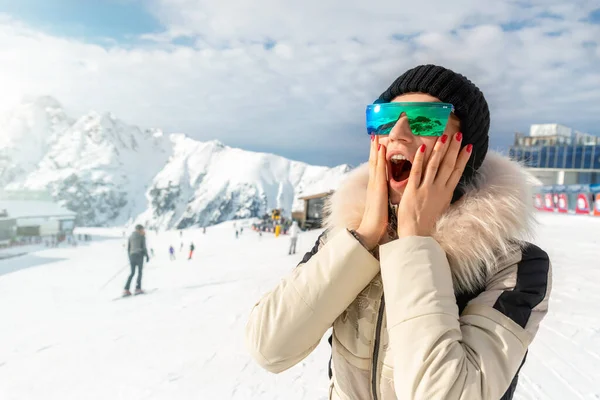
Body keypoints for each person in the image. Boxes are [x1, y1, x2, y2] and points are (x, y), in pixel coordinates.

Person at [245, 65, 552, 400]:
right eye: (385, 119)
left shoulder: (512, 266)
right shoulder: (343, 239)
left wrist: (414, 243)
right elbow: (270, 349)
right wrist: (364, 236)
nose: (398, 134)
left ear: (467, 152)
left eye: (425, 120)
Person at [124, 224, 149, 296]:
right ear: (140, 229)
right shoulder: (142, 236)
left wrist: (130, 257)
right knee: (140, 272)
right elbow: (144, 247)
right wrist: (147, 255)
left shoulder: (130, 237)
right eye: (142, 229)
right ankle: (138, 288)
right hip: (139, 255)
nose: (143, 230)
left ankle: (126, 289)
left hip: (132, 256)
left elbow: (128, 248)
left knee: (132, 273)